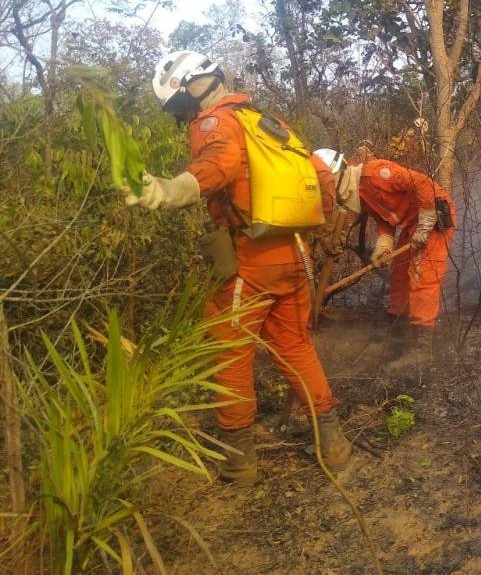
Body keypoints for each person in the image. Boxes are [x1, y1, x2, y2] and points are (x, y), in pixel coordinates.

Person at [123, 50, 351, 484]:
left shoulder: (216, 122)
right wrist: (312, 226)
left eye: (181, 106)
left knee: (227, 353)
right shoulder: (268, 123)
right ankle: (334, 446)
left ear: (192, 86)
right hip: (293, 255)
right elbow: (321, 175)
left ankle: (240, 462)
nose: (184, 115)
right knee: (295, 345)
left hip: (250, 260)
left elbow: (216, 167)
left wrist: (166, 191)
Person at [314, 148, 455, 370]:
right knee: (399, 275)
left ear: (335, 175)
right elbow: (385, 218)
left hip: (435, 216)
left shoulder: (374, 174)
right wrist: (384, 243)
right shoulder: (359, 191)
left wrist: (427, 221)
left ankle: (421, 350)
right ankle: (397, 331)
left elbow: (422, 183)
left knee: (422, 275)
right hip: (412, 223)